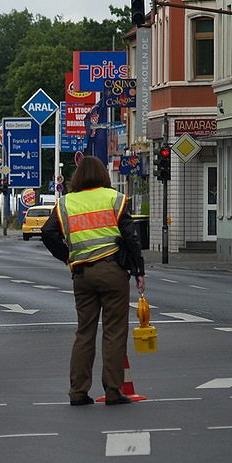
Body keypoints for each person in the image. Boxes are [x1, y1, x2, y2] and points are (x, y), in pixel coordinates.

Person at [41, 155, 145, 407]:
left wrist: (68, 256)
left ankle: (78, 392)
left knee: (84, 333)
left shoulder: (66, 203)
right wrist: (138, 270)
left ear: (77, 178)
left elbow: (47, 233)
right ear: (102, 175)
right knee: (114, 332)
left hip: (82, 275)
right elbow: (130, 237)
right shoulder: (114, 198)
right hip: (112, 272)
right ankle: (112, 391)